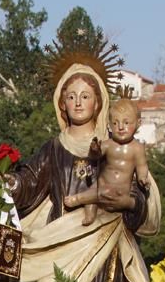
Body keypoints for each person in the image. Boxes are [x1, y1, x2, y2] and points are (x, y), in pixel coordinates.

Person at [7, 62, 161, 282]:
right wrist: (12, 182)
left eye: (85, 96)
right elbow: (29, 182)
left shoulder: (115, 147)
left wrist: (129, 202)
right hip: (61, 240)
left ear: (97, 102)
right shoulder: (53, 149)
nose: (78, 102)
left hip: (106, 240)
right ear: (62, 104)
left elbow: (137, 190)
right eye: (71, 96)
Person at [63, 97, 152, 228]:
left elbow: (142, 167)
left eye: (126, 123)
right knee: (93, 190)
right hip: (101, 184)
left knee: (101, 192)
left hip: (119, 190)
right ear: (109, 125)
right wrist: (94, 149)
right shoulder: (109, 144)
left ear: (138, 123)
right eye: (115, 123)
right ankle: (90, 214)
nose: (121, 127)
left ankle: (78, 199)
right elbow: (95, 156)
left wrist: (143, 179)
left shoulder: (137, 148)